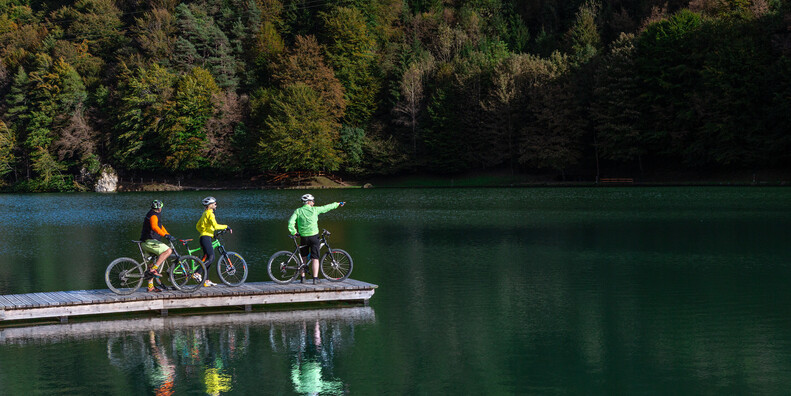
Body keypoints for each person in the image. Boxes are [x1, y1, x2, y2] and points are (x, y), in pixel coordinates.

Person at [287, 194, 345, 284]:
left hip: (303, 237)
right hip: (314, 237)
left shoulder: (298, 211)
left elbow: (291, 222)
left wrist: (294, 232)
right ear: (309, 202)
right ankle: (315, 279)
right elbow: (326, 207)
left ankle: (302, 278)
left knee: (303, 258)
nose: (314, 203)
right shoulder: (315, 210)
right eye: (313, 201)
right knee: (315, 258)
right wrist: (337, 204)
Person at [140, 199, 177, 292]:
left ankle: (150, 287)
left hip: (145, 242)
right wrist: (164, 235)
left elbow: (160, 226)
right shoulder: (153, 215)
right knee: (168, 251)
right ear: (159, 208)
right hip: (150, 242)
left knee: (151, 264)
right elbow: (154, 227)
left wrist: (167, 234)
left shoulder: (152, 213)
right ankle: (154, 269)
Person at [195, 196, 231, 287]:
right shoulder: (210, 214)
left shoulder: (204, 213)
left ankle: (206, 280)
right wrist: (226, 226)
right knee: (211, 258)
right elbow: (215, 226)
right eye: (214, 203)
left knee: (208, 258)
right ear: (210, 205)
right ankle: (197, 273)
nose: (216, 205)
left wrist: (206, 231)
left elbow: (198, 226)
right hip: (206, 237)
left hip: (204, 237)